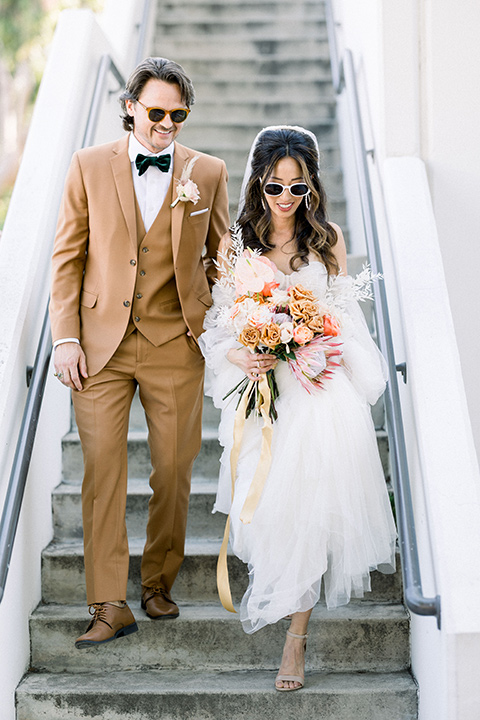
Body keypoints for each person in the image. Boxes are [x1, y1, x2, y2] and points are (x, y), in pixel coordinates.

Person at [199, 126, 396, 691]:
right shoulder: (236, 243)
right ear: (257, 184)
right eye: (275, 188)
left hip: (317, 390)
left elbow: (340, 311)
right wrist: (242, 350)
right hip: (263, 393)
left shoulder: (325, 239)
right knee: (272, 514)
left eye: (297, 189)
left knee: (310, 511)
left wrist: (322, 346)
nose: (285, 200)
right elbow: (218, 322)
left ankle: (295, 641)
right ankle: (281, 595)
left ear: (311, 189)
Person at [49, 57, 229, 648]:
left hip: (175, 342)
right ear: (130, 106)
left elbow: (223, 258)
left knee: (175, 472)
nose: (168, 124)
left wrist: (243, 322)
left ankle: (157, 580)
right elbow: (68, 256)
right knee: (103, 473)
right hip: (98, 347)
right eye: (157, 112)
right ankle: (107, 604)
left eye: (179, 115)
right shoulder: (87, 165)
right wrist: (65, 337)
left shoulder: (206, 172)